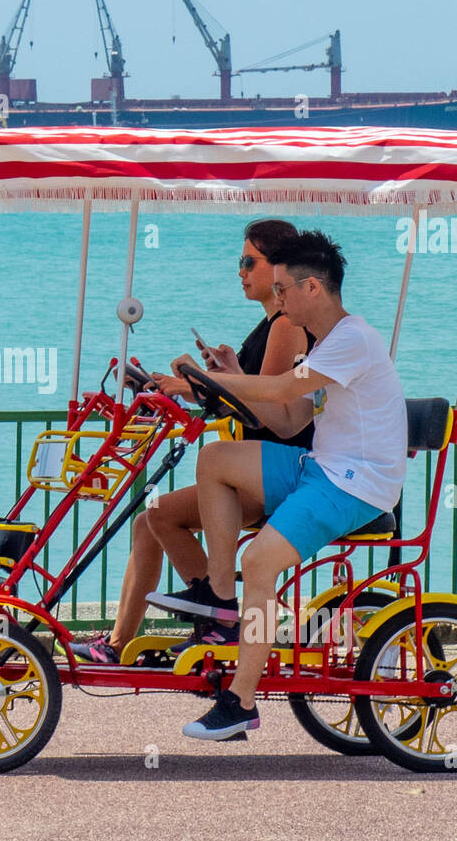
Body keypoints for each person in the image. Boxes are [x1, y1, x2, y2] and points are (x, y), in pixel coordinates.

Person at [145, 230, 408, 741]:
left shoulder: (354, 338)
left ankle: (241, 701)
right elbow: (288, 421)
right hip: (321, 464)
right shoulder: (330, 344)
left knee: (260, 562)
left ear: (312, 287)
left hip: (355, 484)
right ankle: (220, 596)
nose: (279, 299)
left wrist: (206, 379)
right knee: (217, 459)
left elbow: (285, 387)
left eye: (284, 289)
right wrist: (227, 377)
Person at [69, 219, 312, 666]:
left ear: (278, 268)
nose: (240, 271)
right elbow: (251, 395)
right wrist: (216, 377)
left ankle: (219, 619)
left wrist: (192, 385)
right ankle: (133, 640)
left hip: (277, 469)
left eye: (248, 261)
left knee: (161, 512)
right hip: (257, 466)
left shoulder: (284, 327)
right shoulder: (269, 326)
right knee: (152, 520)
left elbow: (274, 410)